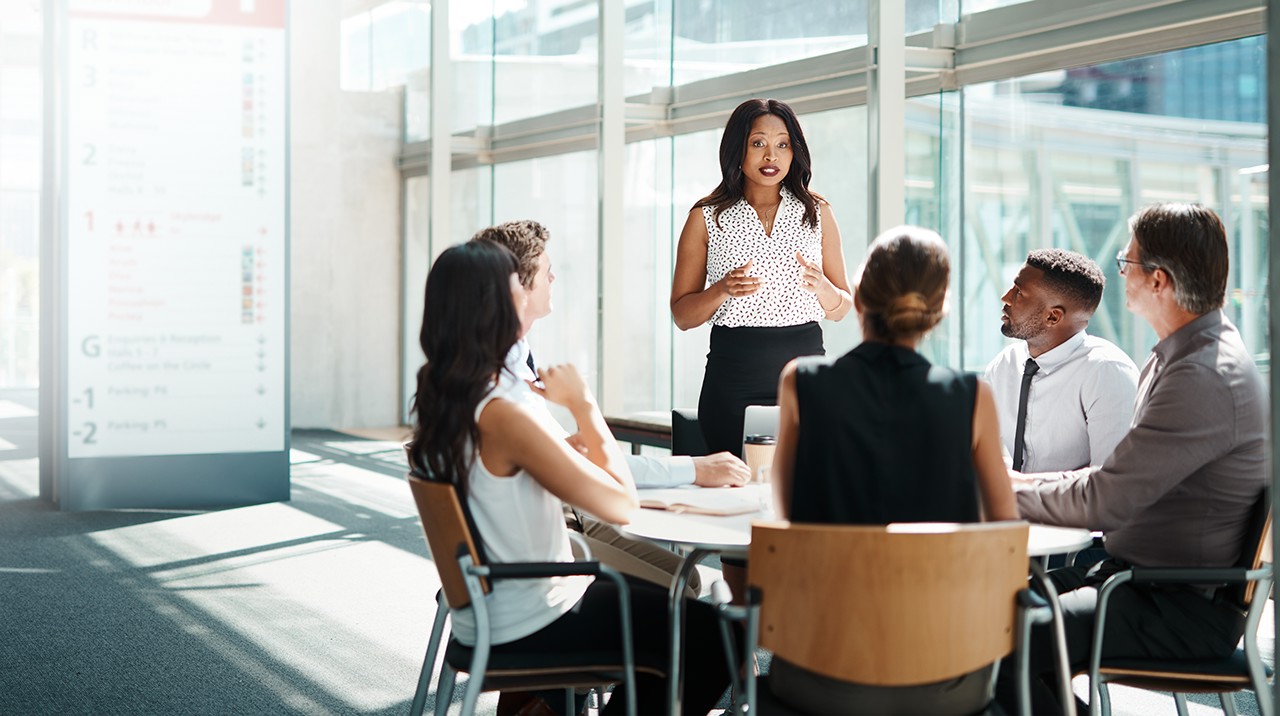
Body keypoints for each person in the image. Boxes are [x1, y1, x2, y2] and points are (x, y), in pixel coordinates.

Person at [407, 239, 731, 714]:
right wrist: (585, 406)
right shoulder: (502, 411)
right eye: (516, 286)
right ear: (494, 305)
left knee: (681, 624)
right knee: (716, 638)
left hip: (497, 606)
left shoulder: (449, 396)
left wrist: (567, 446)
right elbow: (620, 505)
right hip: (535, 615)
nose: (525, 292)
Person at [1001, 203, 1268, 715]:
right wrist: (1012, 482)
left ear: (1159, 282)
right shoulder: (1182, 356)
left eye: (1128, 262)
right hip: (1136, 579)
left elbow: (1109, 498)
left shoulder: (1203, 375)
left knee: (1004, 637)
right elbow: (1115, 478)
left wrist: (1003, 491)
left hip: (1172, 604)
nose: (1121, 271)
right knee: (991, 613)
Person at [769, 225, 1019, 714]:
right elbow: (1004, 539)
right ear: (937, 311)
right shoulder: (972, 398)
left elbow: (783, 518)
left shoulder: (801, 381)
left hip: (816, 671)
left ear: (858, 296)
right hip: (947, 678)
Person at [471, 219, 749, 595]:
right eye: (545, 272)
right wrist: (583, 404)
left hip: (553, 520)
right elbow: (613, 495)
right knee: (681, 591)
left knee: (689, 578)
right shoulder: (503, 393)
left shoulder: (505, 368)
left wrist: (566, 450)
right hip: (545, 544)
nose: (553, 279)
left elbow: (566, 461)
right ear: (516, 286)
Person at [671, 97, 852, 458]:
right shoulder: (706, 216)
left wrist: (823, 288)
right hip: (733, 381)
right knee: (739, 485)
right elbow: (682, 315)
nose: (772, 156)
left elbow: (842, 307)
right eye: (759, 144)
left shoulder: (818, 212)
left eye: (783, 144)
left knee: (804, 487)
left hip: (806, 381)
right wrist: (721, 290)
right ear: (737, 149)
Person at [985, 249, 1138, 472]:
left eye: (1019, 292)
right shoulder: (1005, 365)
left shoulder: (1108, 373)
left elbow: (1112, 485)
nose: (1006, 297)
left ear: (1053, 316)